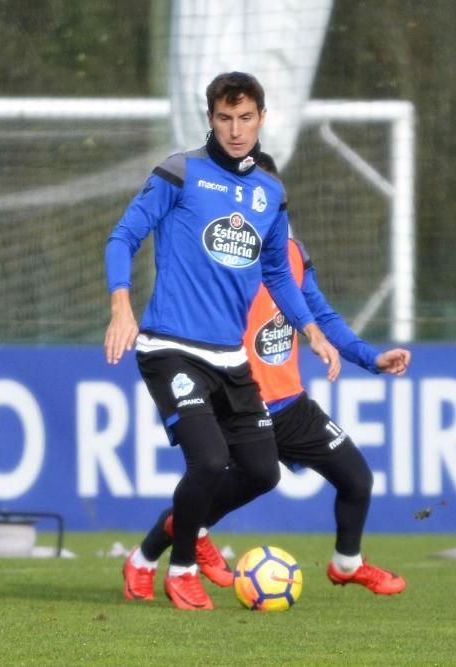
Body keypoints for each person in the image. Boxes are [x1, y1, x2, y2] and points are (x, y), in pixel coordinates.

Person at [122, 153, 409, 605]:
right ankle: (146, 560)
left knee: (357, 479)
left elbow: (319, 313)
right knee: (208, 481)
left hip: (290, 405)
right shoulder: (222, 256)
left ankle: (346, 564)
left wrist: (370, 358)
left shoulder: (289, 257)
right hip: (238, 397)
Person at [104, 71, 341, 611]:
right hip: (170, 347)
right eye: (225, 118)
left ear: (261, 118)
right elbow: (123, 235)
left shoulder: (269, 192)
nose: (236, 130)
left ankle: (147, 556)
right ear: (210, 118)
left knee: (261, 472)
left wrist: (312, 332)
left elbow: (280, 274)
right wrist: (121, 304)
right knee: (209, 462)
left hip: (230, 358)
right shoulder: (180, 172)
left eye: (246, 118)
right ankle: (181, 570)